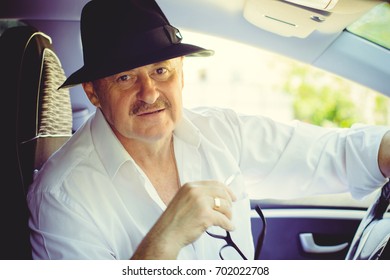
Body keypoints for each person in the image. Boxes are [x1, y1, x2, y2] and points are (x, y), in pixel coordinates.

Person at [27, 0, 390, 260]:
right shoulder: (61, 196)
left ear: (181, 72)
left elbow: (334, 154)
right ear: (94, 93)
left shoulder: (220, 130)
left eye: (160, 70)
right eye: (125, 77)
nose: (149, 92)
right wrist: (164, 240)